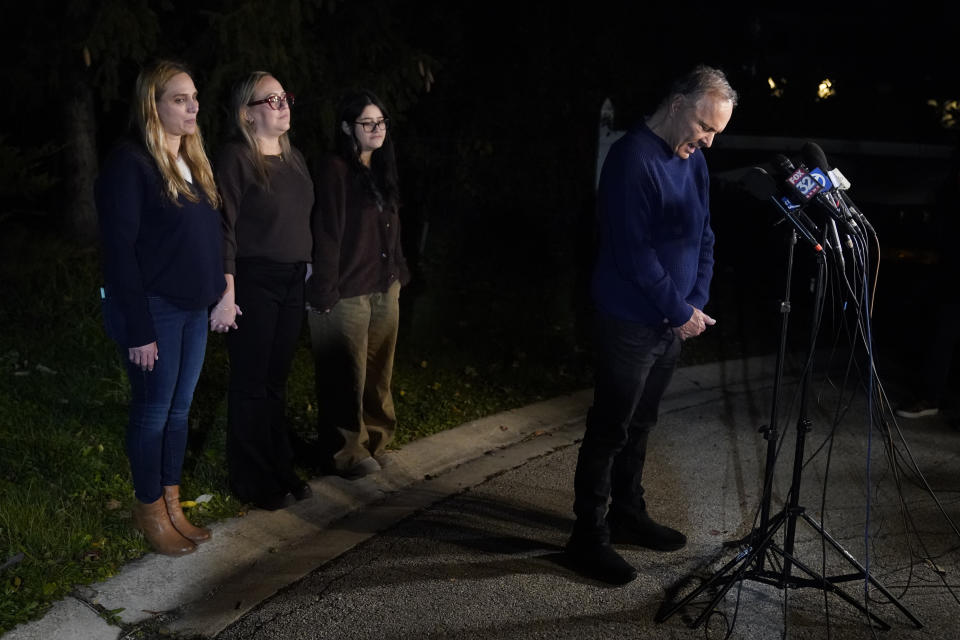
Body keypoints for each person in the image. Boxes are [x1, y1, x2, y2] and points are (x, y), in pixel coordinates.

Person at [566, 65, 737, 584]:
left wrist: (694, 304)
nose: (708, 142)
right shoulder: (630, 159)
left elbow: (704, 234)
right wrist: (678, 309)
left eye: (716, 134)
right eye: (706, 128)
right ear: (678, 104)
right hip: (630, 322)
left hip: (672, 321)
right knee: (611, 426)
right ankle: (587, 536)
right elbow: (634, 253)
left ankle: (627, 513)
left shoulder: (694, 162)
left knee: (641, 424)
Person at [96, 60, 227, 556]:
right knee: (153, 413)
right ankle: (148, 507)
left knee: (180, 412)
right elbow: (120, 251)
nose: (193, 106)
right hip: (155, 310)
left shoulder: (193, 159)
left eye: (194, 96)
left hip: (193, 308)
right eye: (179, 98)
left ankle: (173, 504)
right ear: (153, 105)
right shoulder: (130, 163)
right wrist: (137, 328)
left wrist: (219, 291)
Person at [209, 72, 315, 509]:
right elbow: (224, 226)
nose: (283, 104)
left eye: (285, 96)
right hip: (253, 279)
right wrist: (227, 291)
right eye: (270, 99)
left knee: (276, 381)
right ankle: (252, 480)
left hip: (292, 280)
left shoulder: (295, 159)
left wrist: (307, 266)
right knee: (251, 382)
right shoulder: (236, 157)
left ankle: (279, 467)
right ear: (247, 114)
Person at [305, 89, 410, 479]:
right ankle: (345, 452)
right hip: (347, 289)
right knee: (344, 375)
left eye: (381, 122)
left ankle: (378, 439)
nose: (377, 129)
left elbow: (393, 226)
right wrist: (324, 289)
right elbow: (327, 230)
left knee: (379, 371)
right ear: (348, 127)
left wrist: (399, 271)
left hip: (385, 287)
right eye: (368, 122)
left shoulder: (381, 168)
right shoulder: (334, 168)